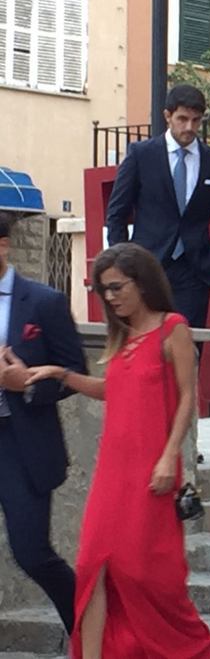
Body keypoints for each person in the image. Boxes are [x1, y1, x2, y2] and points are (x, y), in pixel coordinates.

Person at [26, 243, 210, 659]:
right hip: (112, 473)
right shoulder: (123, 337)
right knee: (94, 566)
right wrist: (61, 374)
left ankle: (186, 648)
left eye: (116, 287)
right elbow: (113, 391)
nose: (110, 297)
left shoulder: (173, 328)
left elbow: (187, 396)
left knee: (147, 576)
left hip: (153, 471)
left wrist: (170, 455)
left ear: (142, 282)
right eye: (103, 291)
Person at [0, 213, 85, 635]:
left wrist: (27, 385)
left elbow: (74, 371)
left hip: (22, 444)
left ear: (3, 246)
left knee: (31, 552)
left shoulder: (44, 302)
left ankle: (88, 630)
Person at [105, 84, 210, 331]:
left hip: (194, 270)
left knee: (188, 347)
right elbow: (117, 213)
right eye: (182, 119)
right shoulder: (141, 154)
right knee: (143, 343)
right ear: (168, 116)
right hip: (146, 268)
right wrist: (122, 264)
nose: (189, 127)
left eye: (196, 120)